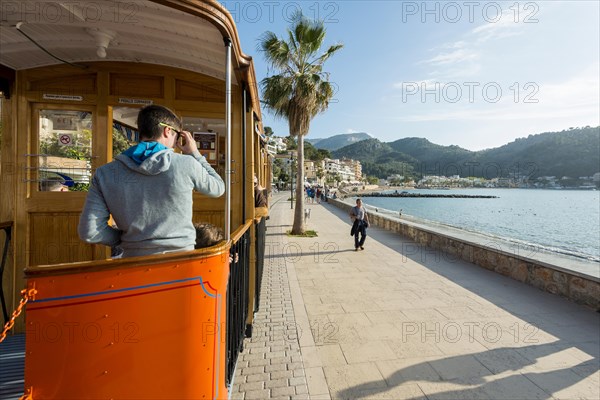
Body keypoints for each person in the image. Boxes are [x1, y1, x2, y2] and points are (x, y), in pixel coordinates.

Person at [78, 105, 225, 258]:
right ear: (167, 131)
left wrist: (128, 240)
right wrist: (195, 153)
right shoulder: (186, 163)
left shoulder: (105, 173)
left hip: (133, 263)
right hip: (180, 261)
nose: (176, 143)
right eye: (177, 136)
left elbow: (89, 232)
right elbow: (218, 187)